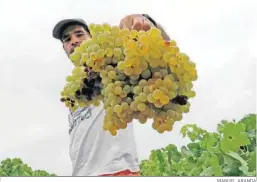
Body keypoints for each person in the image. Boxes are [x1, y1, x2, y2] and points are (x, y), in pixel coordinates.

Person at [52, 14, 170, 176]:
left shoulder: (112, 67)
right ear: (65, 48)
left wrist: (148, 22)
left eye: (79, 34)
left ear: (92, 38)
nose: (73, 40)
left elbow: (163, 54)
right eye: (67, 39)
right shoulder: (74, 90)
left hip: (118, 171)